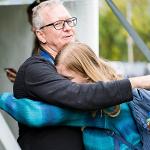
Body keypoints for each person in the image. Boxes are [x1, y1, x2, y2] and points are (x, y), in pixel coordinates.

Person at [10, 0, 150, 150]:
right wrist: (138, 82)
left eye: (70, 22)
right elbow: (77, 95)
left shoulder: (74, 59)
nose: (68, 28)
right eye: (59, 24)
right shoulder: (34, 68)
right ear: (41, 35)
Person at [1, 42, 150, 149]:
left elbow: (35, 114)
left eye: (67, 79)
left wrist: (2, 98)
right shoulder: (124, 92)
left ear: (86, 74)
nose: (63, 85)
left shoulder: (99, 109)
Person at [4, 0, 46, 83]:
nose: (32, 29)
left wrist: (21, 81)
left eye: (34, 24)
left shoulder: (49, 51)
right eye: (31, 24)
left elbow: (44, 85)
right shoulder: (39, 47)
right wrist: (18, 79)